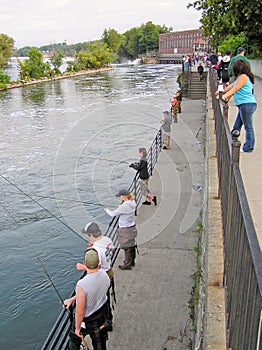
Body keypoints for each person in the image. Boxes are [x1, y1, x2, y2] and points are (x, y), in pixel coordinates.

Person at [65, 248, 110, 350]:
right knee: (100, 344)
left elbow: (80, 312)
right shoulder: (104, 274)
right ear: (99, 262)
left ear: (84, 263)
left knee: (74, 339)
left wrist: (77, 329)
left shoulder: (82, 284)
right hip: (102, 315)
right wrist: (72, 299)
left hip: (88, 321)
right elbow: (93, 289)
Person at [77, 222, 115, 330]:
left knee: (102, 301)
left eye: (88, 235)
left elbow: (95, 267)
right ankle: (109, 321)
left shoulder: (96, 250)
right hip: (110, 272)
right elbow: (112, 250)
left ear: (90, 235)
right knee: (106, 298)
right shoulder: (107, 239)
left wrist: (82, 267)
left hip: (101, 277)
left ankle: (106, 323)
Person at [219, 59, 257, 153]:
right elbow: (231, 86)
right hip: (244, 105)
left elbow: (236, 88)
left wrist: (224, 96)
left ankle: (248, 147)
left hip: (247, 104)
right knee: (237, 125)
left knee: (248, 127)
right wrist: (220, 92)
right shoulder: (240, 77)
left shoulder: (243, 77)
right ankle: (231, 142)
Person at [104, 189, 138, 270]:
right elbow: (126, 209)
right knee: (132, 245)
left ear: (124, 196)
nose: (119, 197)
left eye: (120, 196)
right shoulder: (132, 202)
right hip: (132, 227)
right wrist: (120, 208)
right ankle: (132, 262)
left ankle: (127, 265)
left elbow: (112, 214)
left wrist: (107, 210)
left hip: (125, 229)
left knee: (126, 247)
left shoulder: (125, 206)